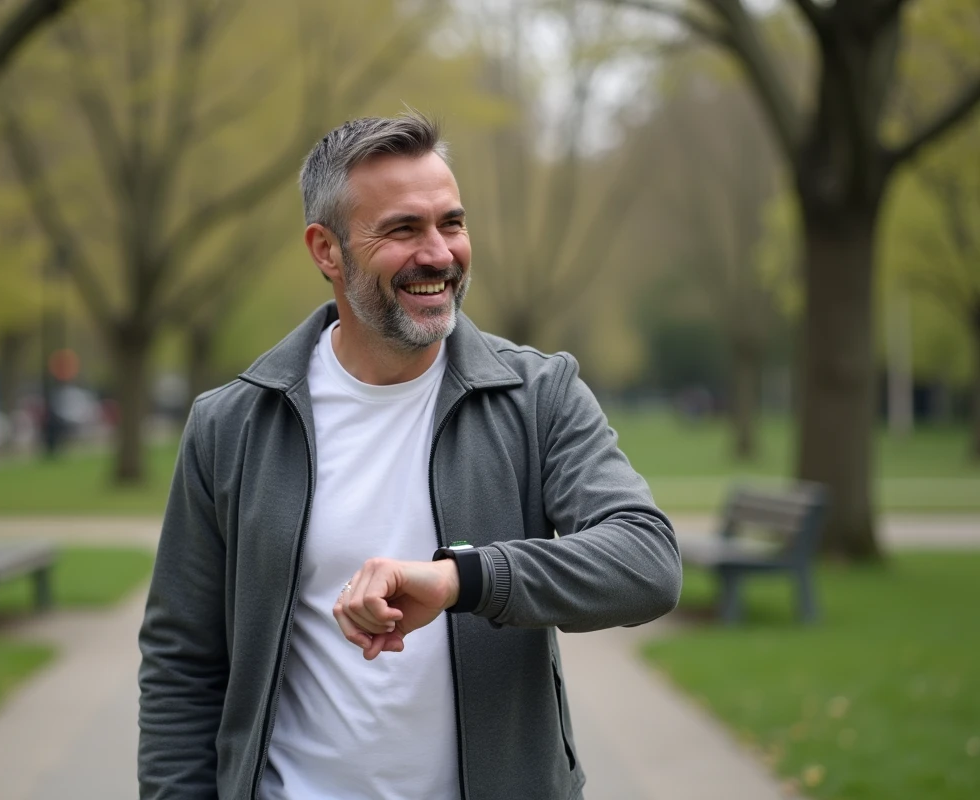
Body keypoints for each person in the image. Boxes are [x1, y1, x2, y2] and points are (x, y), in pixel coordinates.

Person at [138, 110, 682, 800]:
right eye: (402, 229)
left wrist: (465, 579)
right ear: (326, 250)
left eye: (450, 223)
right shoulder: (231, 425)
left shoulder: (539, 395)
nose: (439, 253)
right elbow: (182, 660)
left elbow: (647, 563)